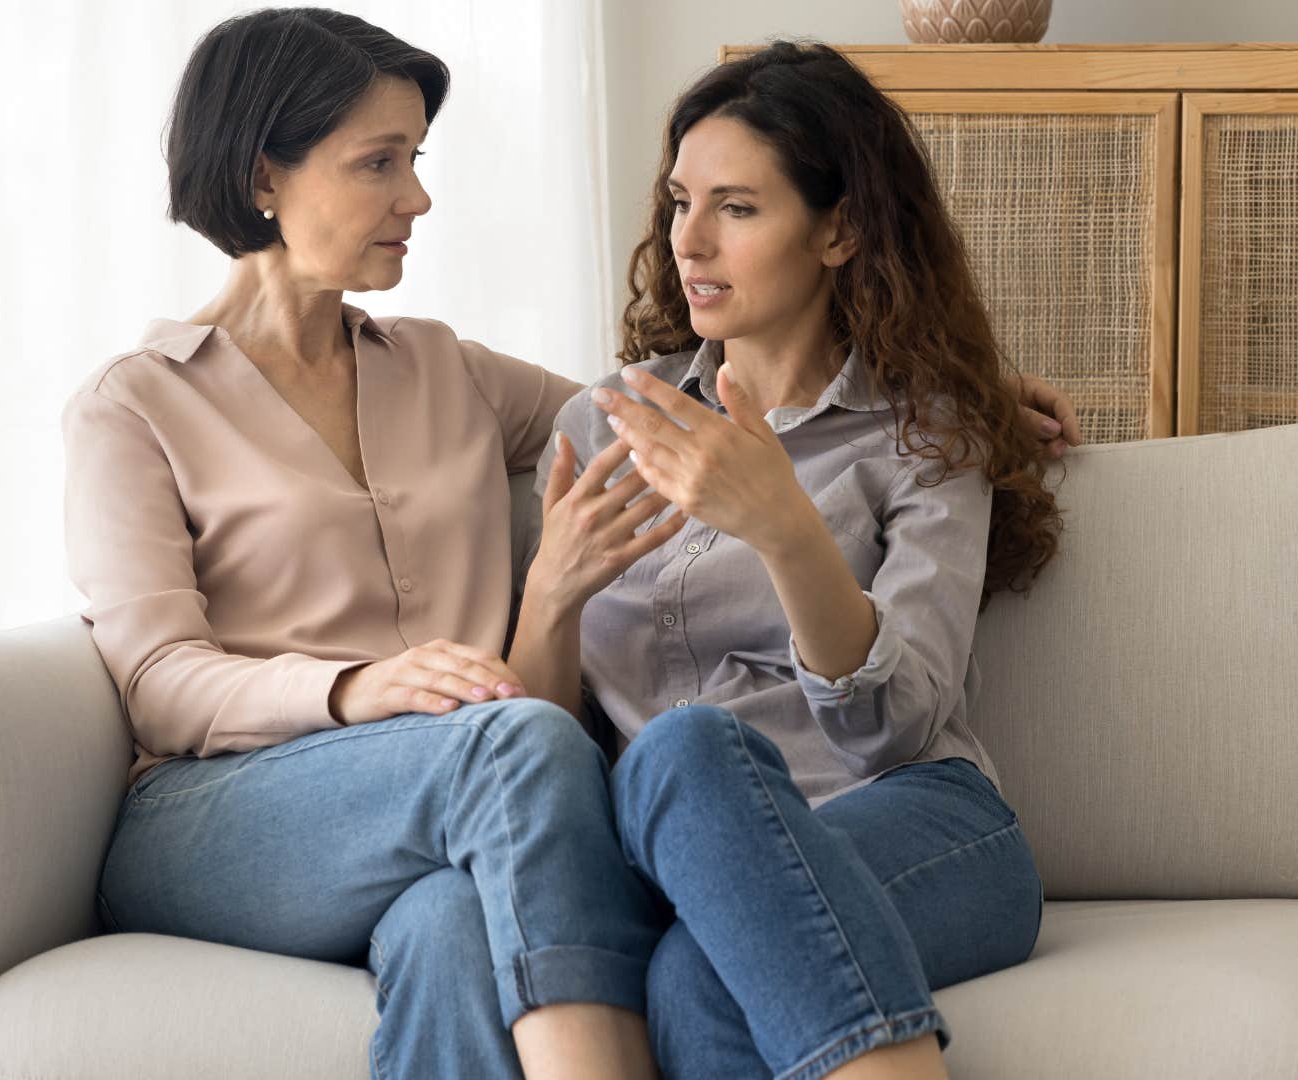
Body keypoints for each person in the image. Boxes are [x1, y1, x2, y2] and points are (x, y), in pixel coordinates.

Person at [65, 10, 1078, 1079]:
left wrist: (952, 395)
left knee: (477, 929)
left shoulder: (449, 373)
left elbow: (714, 403)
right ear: (263, 172)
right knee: (550, 749)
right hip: (267, 796)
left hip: (726, 811)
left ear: (839, 230)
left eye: (414, 159)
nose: (418, 196)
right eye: (380, 163)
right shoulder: (136, 406)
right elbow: (159, 682)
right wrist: (370, 682)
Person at [510, 41, 1063, 1080]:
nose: (690, 241)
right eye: (680, 202)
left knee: (683, 761)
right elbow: (541, 754)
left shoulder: (925, 438)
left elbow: (894, 724)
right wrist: (549, 598)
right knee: (685, 927)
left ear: (840, 228)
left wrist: (784, 528)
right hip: (680, 862)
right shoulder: (603, 420)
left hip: (921, 826)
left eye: (738, 208)